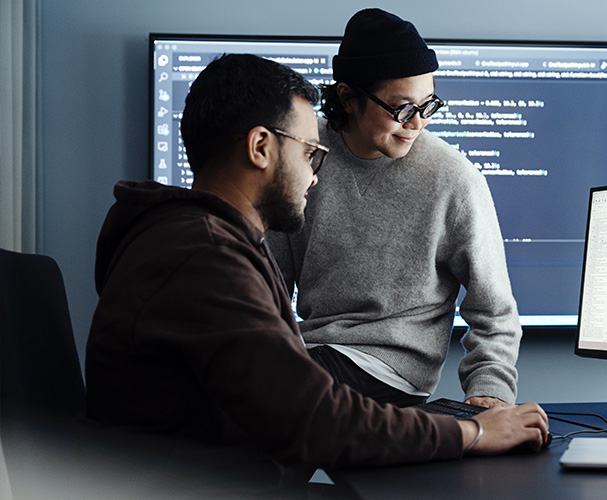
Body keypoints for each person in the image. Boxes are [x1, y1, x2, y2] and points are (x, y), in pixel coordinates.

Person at [83, 53, 548, 492]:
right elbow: (313, 418)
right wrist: (467, 433)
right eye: (310, 152)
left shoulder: (196, 240)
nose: (316, 175)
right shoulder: (206, 258)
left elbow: (295, 409)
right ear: (260, 147)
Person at [267, 8, 522, 410]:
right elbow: (270, 280)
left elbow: (495, 310)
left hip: (391, 367)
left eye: (428, 105)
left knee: (269, 397)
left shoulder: (453, 177)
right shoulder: (305, 152)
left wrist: (490, 391)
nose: (418, 123)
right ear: (349, 98)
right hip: (312, 351)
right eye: (402, 109)